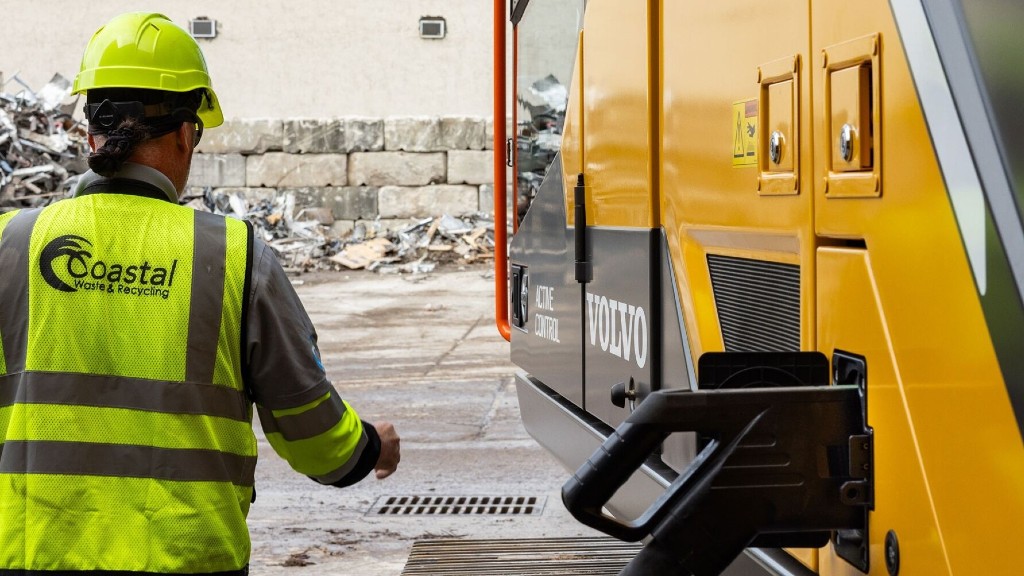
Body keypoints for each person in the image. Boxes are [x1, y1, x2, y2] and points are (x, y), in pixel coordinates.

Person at [0, 12, 399, 574]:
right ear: (187, 133)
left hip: (32, 557)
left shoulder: (11, 244)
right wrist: (369, 448)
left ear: (90, 131)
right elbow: (313, 432)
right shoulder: (234, 257)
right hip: (187, 559)